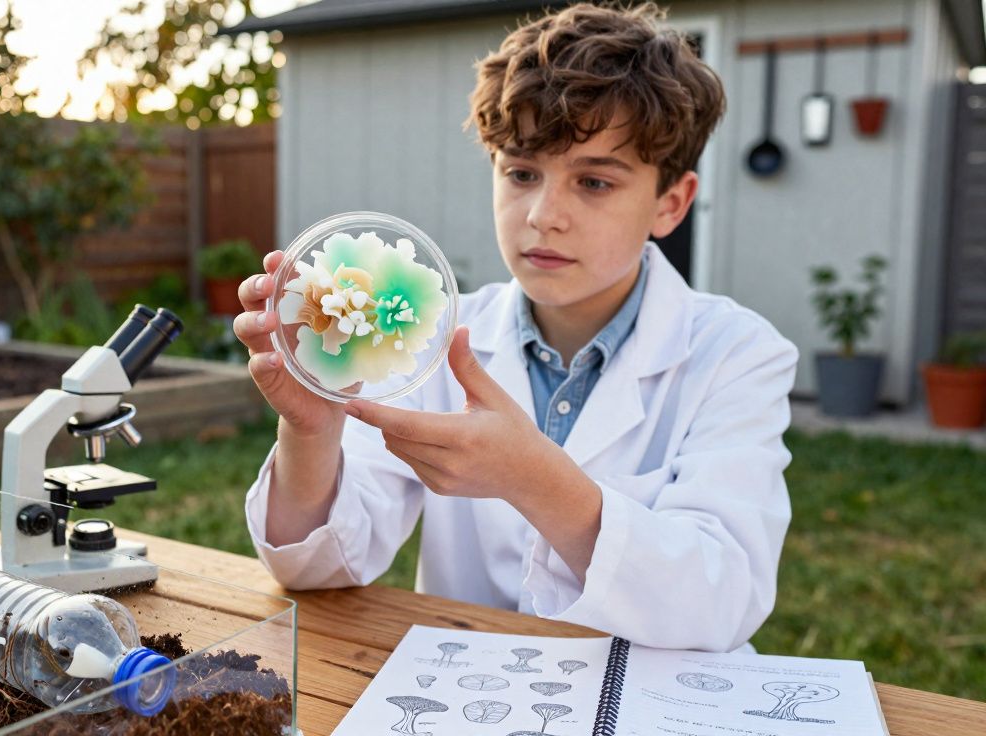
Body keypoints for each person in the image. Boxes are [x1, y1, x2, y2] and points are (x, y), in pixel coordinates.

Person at [230, 2, 798, 652]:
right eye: (522, 174)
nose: (544, 215)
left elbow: (720, 600)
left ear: (670, 203)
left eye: (594, 182)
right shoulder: (427, 335)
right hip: (469, 694)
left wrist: (532, 478)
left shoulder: (737, 354)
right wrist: (313, 429)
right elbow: (315, 570)